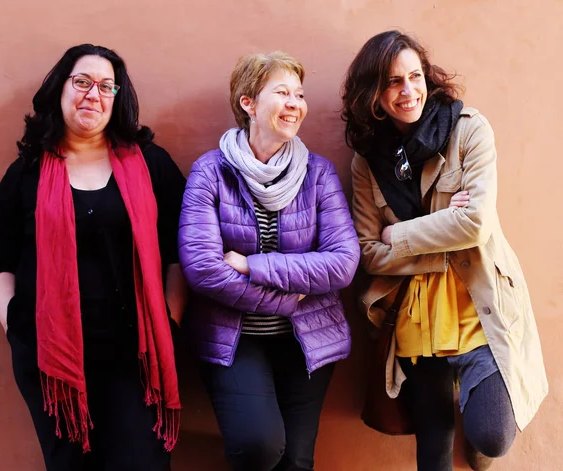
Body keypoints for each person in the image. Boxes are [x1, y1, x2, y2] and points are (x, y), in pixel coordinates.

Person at [342, 31, 548, 471]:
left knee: (490, 436)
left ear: (428, 78)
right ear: (373, 95)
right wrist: (441, 231)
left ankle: (477, 420)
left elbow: (475, 224)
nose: (408, 91)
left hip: (479, 304)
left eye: (414, 77)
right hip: (415, 314)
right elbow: (367, 253)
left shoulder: (468, 129)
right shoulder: (366, 162)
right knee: (433, 455)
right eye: (393, 82)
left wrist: (398, 235)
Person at [0, 44, 185, 471]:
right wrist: (16, 322)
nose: (94, 94)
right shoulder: (27, 172)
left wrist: (172, 316)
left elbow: (181, 247)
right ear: (60, 89)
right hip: (52, 360)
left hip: (136, 357)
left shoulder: (151, 164)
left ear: (117, 98)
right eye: (83, 82)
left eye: (107, 86)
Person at [178, 51, 360, 471]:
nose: (295, 103)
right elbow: (203, 269)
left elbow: (342, 263)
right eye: (282, 92)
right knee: (258, 446)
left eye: (299, 94)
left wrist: (251, 265)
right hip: (233, 339)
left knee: (295, 461)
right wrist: (287, 296)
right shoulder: (210, 173)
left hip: (308, 338)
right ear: (248, 103)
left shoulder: (319, 174)